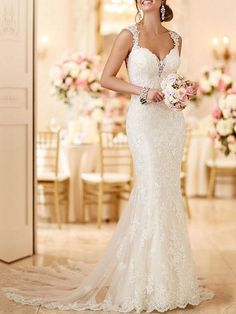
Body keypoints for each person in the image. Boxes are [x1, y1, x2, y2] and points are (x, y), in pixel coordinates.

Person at [2, 0, 214, 312]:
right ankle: (145, 282)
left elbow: (171, 81)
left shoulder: (176, 39)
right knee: (152, 191)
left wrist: (183, 91)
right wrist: (142, 91)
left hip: (171, 123)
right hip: (143, 122)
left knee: (168, 194)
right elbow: (106, 78)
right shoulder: (129, 35)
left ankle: (170, 279)